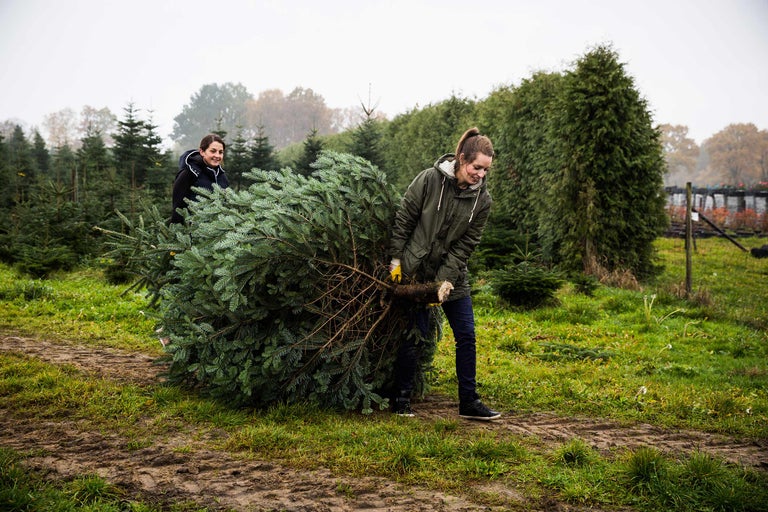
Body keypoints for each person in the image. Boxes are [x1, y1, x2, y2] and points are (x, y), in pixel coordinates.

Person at [388, 127, 500, 420]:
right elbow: (404, 219)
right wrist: (396, 260)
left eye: (486, 170)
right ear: (462, 159)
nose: (481, 175)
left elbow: (466, 244)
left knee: (466, 335)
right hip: (418, 273)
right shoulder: (429, 180)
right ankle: (401, 399)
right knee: (416, 334)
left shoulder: (482, 201)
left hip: (454, 278)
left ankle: (469, 403)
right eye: (477, 167)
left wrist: (447, 279)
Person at [171, 134, 230, 224]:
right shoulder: (189, 173)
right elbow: (178, 207)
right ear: (202, 152)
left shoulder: (222, 176)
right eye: (213, 151)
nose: (217, 155)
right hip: (192, 231)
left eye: (220, 152)